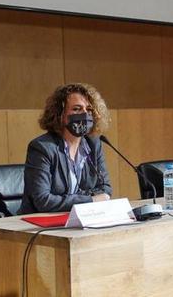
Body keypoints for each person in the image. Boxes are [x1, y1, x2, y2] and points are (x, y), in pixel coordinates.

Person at [18, 83, 112, 214]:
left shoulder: (93, 144)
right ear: (60, 114)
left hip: (79, 219)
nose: (84, 114)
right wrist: (89, 200)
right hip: (38, 225)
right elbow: (43, 201)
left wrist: (70, 200)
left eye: (89, 109)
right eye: (77, 109)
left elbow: (105, 189)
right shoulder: (42, 148)